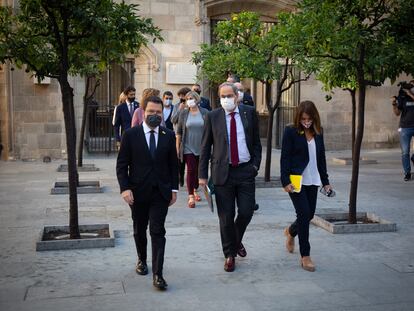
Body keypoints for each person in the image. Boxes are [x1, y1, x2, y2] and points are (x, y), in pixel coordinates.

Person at [116, 95, 178, 290]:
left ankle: (158, 274)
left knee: (158, 231)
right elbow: (121, 165)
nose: (155, 115)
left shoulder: (168, 135)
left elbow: (173, 166)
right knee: (139, 229)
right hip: (137, 193)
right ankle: (142, 260)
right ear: (143, 112)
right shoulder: (130, 135)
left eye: (158, 112)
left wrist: (174, 189)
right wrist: (125, 188)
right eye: (151, 111)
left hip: (160, 193)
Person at [199, 82, 262, 272]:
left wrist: (255, 166)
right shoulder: (213, 116)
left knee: (246, 211)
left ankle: (235, 241)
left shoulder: (249, 112)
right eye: (222, 96)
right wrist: (202, 176)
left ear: (237, 96)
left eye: (229, 95)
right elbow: (205, 147)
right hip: (222, 172)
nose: (226, 99)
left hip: (245, 171)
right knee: (225, 217)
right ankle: (229, 254)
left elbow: (257, 143)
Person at [280, 100, 332, 272]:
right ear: (298, 117)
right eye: (303, 119)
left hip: (313, 179)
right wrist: (285, 181)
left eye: (309, 119)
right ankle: (306, 256)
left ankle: (291, 231)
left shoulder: (319, 132)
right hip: (296, 179)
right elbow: (285, 157)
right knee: (303, 213)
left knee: (308, 214)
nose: (307, 122)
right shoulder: (290, 131)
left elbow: (321, 158)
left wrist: (326, 182)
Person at [176, 91, 208, 208]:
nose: (189, 100)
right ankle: (190, 196)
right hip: (188, 146)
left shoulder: (205, 113)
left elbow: (210, 130)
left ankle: (195, 189)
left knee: (199, 172)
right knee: (190, 170)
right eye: (187, 98)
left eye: (191, 98)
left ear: (197, 99)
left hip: (202, 147)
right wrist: (177, 147)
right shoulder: (184, 113)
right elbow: (179, 132)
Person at [391, 80, 414, 181]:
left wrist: (410, 93)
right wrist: (394, 105)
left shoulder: (410, 94)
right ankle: (407, 173)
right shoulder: (403, 98)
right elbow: (397, 113)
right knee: (405, 152)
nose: (410, 87)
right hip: (405, 127)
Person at [172, 87, 191, 187]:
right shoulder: (176, 106)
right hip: (178, 136)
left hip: (189, 136)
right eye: (179, 96)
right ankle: (180, 176)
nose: (181, 98)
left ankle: (190, 178)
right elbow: (173, 120)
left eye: (183, 96)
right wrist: (180, 110)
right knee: (179, 159)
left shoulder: (192, 106)